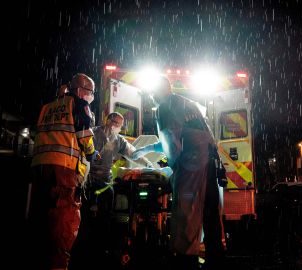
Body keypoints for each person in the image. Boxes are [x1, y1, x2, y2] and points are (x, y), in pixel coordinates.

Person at [132, 76, 225, 269]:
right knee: (210, 213)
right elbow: (188, 135)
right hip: (209, 162)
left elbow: (172, 144)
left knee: (186, 213)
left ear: (159, 91)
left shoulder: (165, 107)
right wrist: (146, 149)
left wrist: (173, 169)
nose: (152, 98)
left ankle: (185, 261)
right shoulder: (188, 104)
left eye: (152, 94)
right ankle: (216, 258)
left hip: (191, 166)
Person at [29, 73, 98, 270]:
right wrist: (93, 154)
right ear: (80, 90)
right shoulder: (78, 105)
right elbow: (84, 137)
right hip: (64, 170)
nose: (91, 96)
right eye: (90, 92)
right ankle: (59, 265)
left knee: (41, 216)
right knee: (65, 220)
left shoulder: (48, 107)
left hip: (40, 167)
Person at [78, 112, 152, 262]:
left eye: (119, 124)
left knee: (105, 216)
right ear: (107, 120)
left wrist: (148, 164)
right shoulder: (93, 133)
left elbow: (133, 153)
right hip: (89, 180)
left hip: (106, 182)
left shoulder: (119, 141)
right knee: (86, 216)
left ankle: (102, 247)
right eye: (114, 122)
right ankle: (83, 247)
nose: (116, 126)